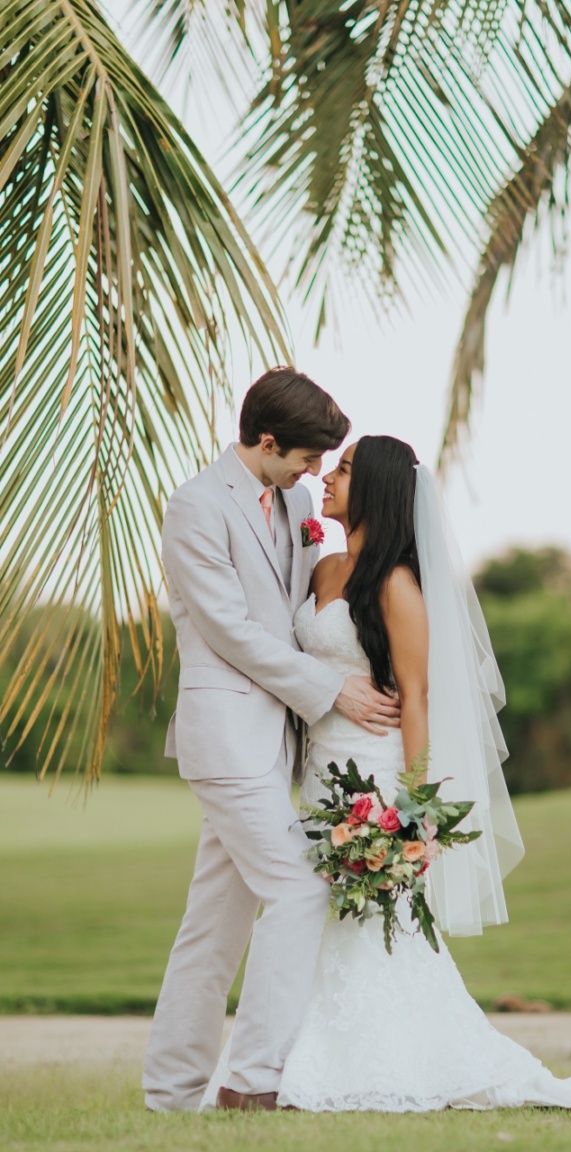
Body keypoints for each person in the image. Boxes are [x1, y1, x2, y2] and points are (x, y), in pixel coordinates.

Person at [201, 434, 571, 1113]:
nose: (327, 476)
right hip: (317, 775)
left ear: (381, 491)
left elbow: (417, 699)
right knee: (313, 915)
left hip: (375, 776)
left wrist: (414, 812)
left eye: (344, 468)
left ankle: (366, 1062)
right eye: (330, 464)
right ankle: (282, 1057)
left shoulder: (396, 586)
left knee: (370, 925)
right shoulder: (323, 567)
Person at [143, 371, 400, 1113]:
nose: (315, 475)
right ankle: (251, 1080)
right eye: (308, 459)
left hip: (277, 746)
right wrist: (332, 688)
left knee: (213, 926)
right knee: (297, 887)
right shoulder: (195, 507)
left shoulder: (291, 501)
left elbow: (298, 608)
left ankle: (169, 1092)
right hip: (223, 740)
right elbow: (231, 630)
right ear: (265, 441)